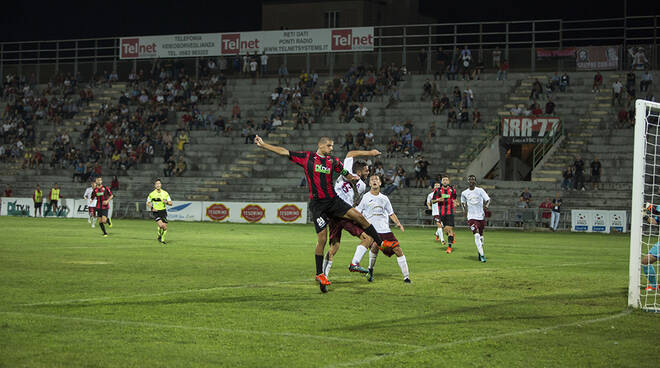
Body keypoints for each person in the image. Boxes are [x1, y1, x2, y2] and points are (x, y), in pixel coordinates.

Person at [254, 135, 395, 293]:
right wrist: (264, 145)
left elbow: (344, 172)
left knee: (359, 217)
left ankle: (381, 244)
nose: (331, 148)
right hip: (318, 205)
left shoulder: (333, 161)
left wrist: (353, 177)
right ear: (320, 146)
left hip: (333, 201)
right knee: (322, 238)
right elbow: (284, 152)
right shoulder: (307, 158)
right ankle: (319, 274)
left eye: (332, 146)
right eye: (329, 146)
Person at [324, 149, 381, 278]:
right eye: (366, 170)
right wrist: (371, 153)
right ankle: (354, 263)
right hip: (344, 212)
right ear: (359, 171)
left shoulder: (353, 179)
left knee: (334, 246)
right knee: (368, 238)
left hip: (333, 212)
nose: (368, 173)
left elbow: (355, 202)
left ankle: (324, 275)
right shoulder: (358, 182)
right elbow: (350, 153)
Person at [354, 175, 409, 283]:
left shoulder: (384, 198)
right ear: (369, 184)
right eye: (372, 180)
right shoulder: (365, 197)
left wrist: (398, 223)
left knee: (398, 250)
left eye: (377, 180)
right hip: (372, 230)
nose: (374, 181)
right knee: (374, 247)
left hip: (385, 230)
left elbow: (391, 213)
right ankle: (370, 269)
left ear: (380, 183)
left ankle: (406, 277)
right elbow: (357, 212)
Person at [461, 175, 491, 263]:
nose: (471, 181)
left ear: (475, 181)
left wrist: (486, 206)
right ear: (467, 181)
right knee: (476, 234)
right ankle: (482, 255)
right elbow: (463, 203)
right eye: (470, 180)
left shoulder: (480, 191)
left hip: (481, 216)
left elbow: (488, 200)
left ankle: (479, 251)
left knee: (481, 236)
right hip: (471, 217)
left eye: (473, 180)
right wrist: (465, 211)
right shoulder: (464, 193)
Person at [432, 175, 459, 253]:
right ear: (441, 182)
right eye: (443, 180)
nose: (445, 181)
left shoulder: (452, 190)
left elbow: (455, 199)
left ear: (449, 182)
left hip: (450, 212)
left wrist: (457, 203)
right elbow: (432, 201)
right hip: (442, 213)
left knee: (449, 229)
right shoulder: (437, 190)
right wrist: (438, 199)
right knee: (445, 230)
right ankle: (451, 235)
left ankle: (449, 248)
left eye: (446, 180)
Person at [147, 178, 172, 245]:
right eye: (156, 184)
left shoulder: (165, 193)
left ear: (161, 185)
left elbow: (171, 203)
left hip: (163, 212)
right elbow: (148, 203)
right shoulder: (151, 194)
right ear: (154, 185)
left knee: (164, 227)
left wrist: (166, 202)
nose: (158, 185)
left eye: (159, 183)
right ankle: (162, 240)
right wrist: (152, 207)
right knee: (162, 225)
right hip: (156, 212)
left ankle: (160, 235)